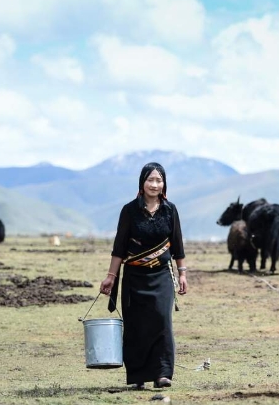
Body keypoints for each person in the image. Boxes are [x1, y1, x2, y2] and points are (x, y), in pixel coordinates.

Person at [99, 162, 188, 390]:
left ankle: (162, 374)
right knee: (136, 325)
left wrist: (182, 274)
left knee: (162, 322)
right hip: (134, 277)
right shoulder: (129, 210)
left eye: (159, 180)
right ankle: (138, 376)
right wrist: (111, 276)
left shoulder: (170, 210)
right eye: (150, 180)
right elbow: (119, 247)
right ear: (142, 182)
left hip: (162, 276)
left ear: (164, 184)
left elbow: (177, 244)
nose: (154, 184)